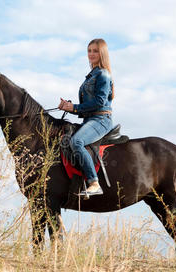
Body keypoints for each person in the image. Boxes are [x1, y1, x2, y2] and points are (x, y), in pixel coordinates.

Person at [58, 38, 114, 196]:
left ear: (102, 53)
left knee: (77, 142)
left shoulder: (103, 74)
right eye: (89, 51)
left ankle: (94, 182)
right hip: (90, 119)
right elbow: (86, 109)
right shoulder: (91, 76)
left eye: (95, 51)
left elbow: (99, 102)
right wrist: (69, 108)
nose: (91, 54)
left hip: (101, 120)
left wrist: (74, 107)